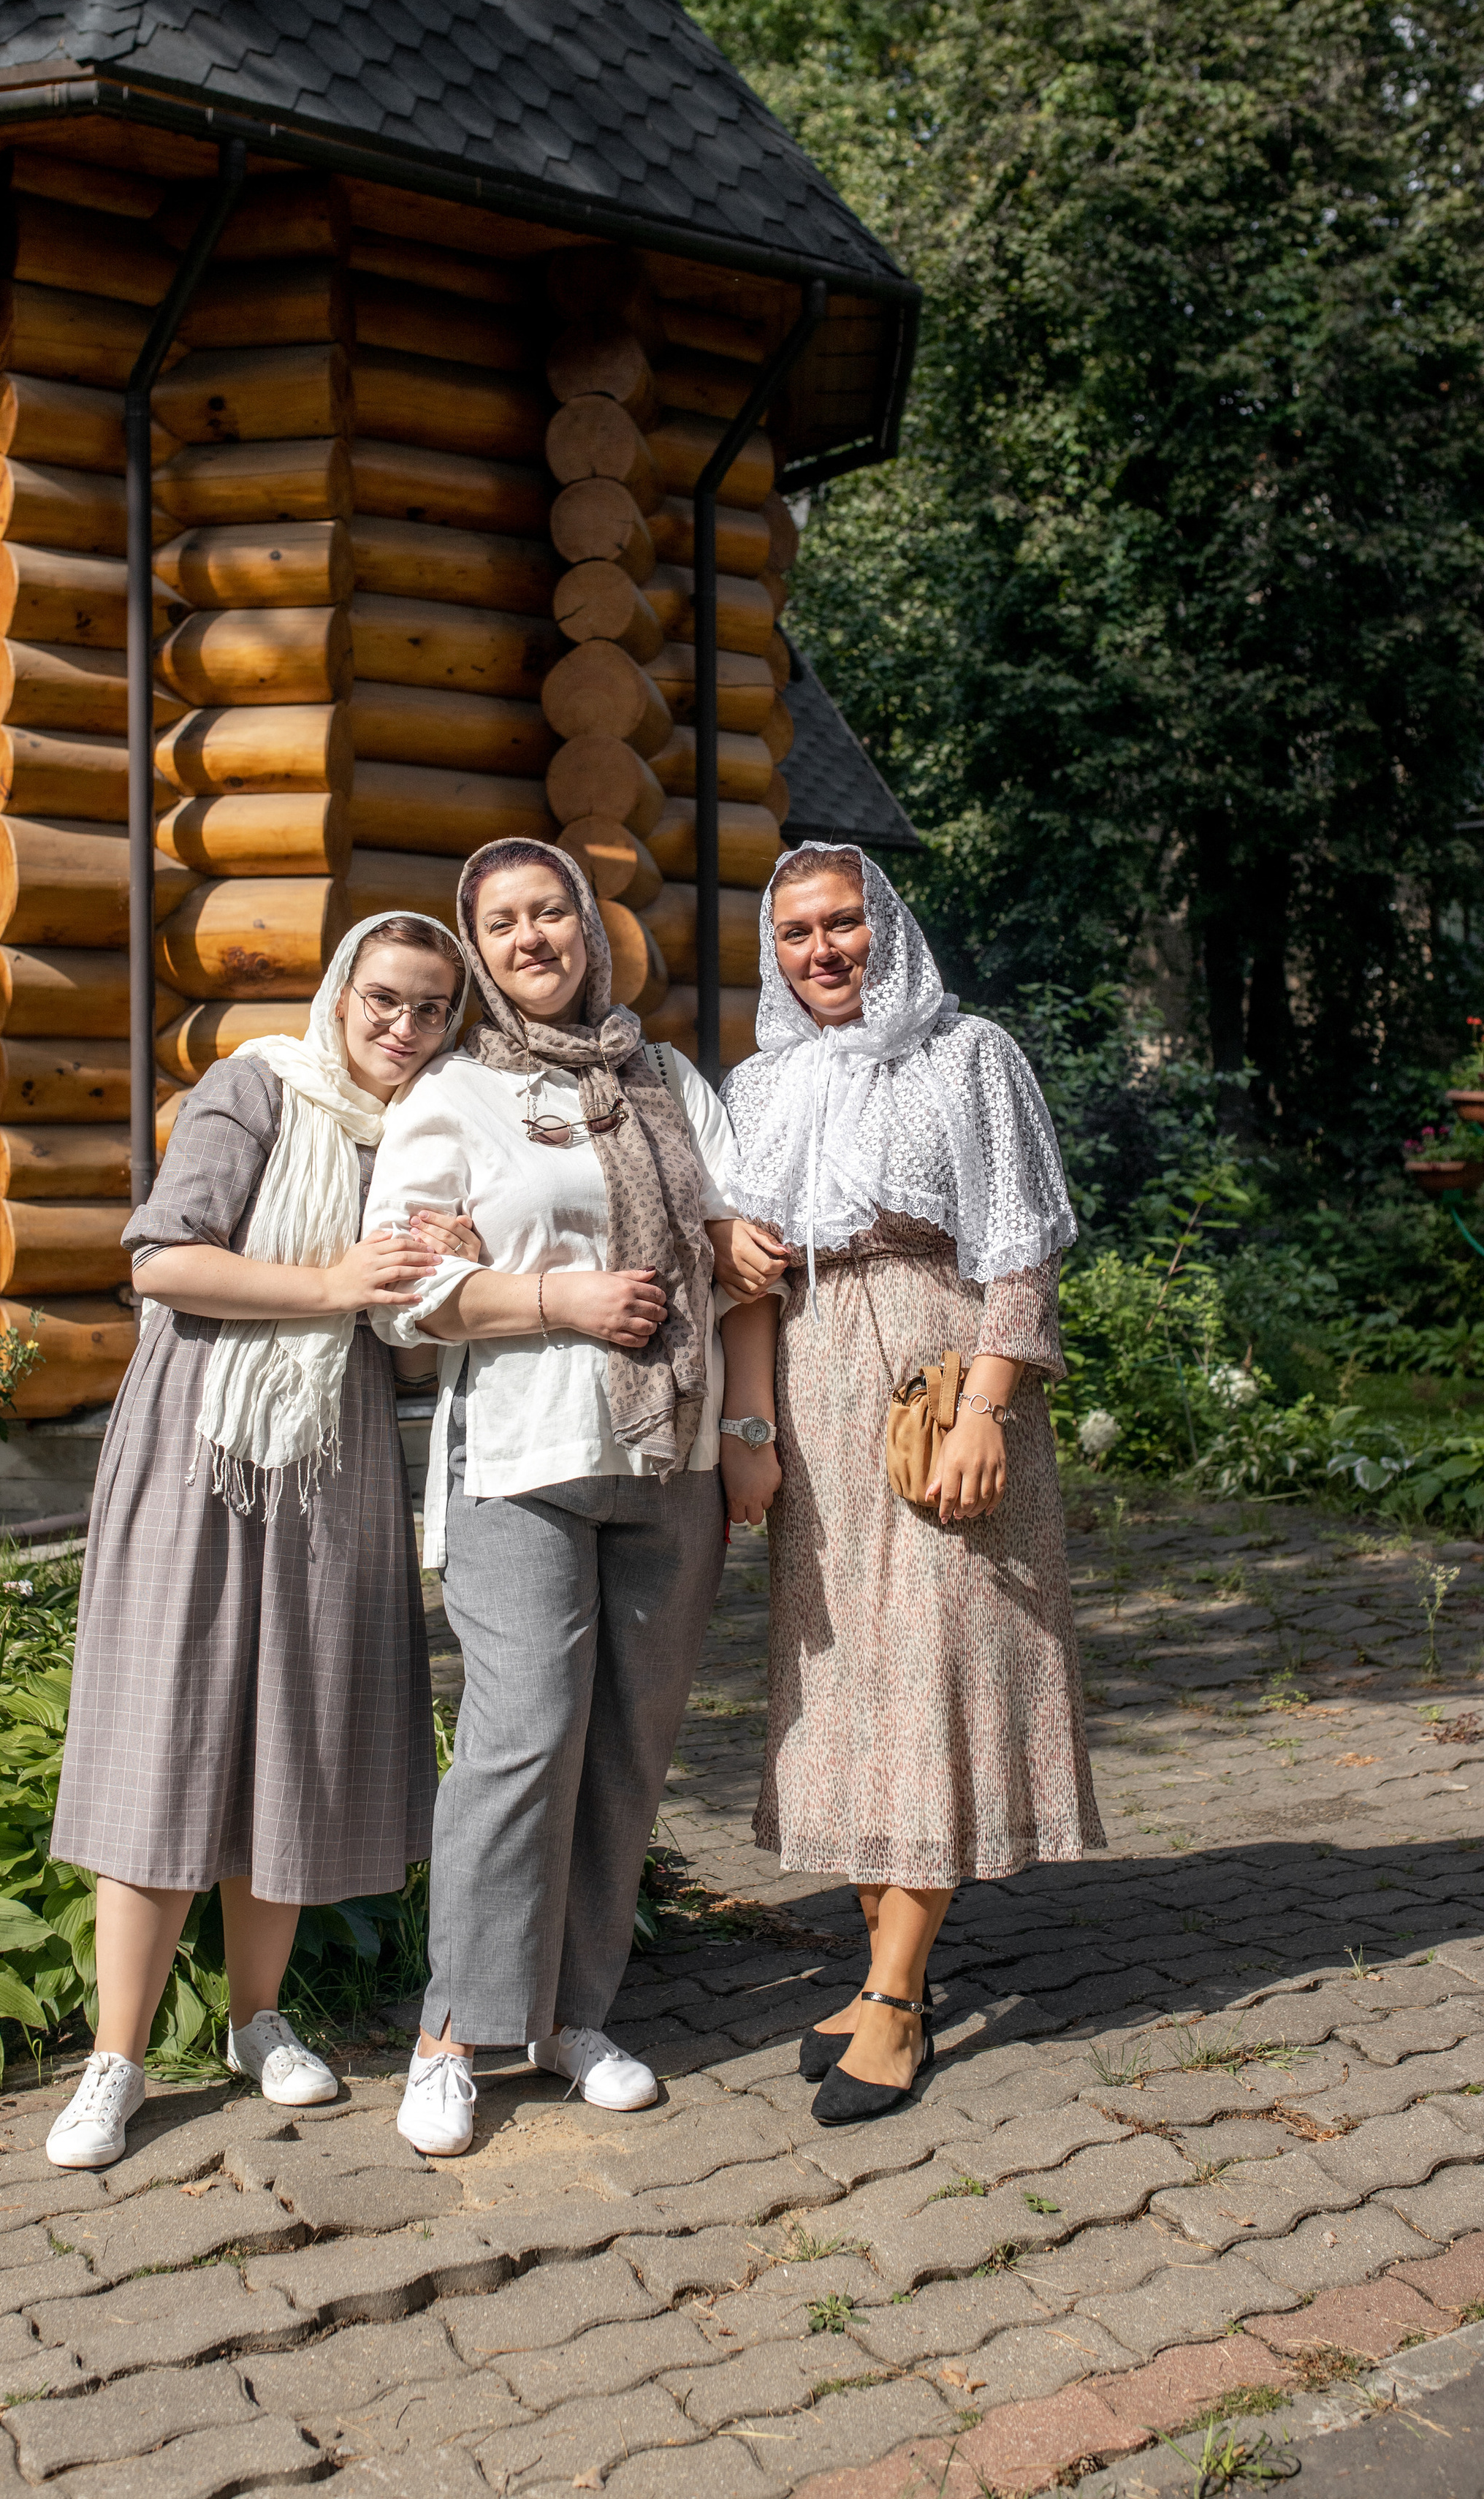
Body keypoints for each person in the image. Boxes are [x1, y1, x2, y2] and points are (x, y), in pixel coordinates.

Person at [360, 839, 783, 2158]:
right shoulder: (454, 1093)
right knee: (523, 1737)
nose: (530, 938)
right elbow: (406, 1295)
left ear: (591, 929)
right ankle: (452, 2035)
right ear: (478, 951)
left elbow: (740, 1257)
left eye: (550, 912)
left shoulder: (668, 1081)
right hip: (523, 1459)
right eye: (501, 923)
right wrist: (560, 1299)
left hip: (674, 1459)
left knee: (628, 1745)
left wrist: (749, 1428)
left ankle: (570, 2018)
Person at [43, 913, 478, 2170]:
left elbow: (404, 1351)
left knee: (294, 1724)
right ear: (340, 995)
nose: (404, 1028)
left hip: (335, 1452)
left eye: (432, 1009)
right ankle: (115, 2061)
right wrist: (334, 1285)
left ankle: (256, 2020)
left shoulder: (425, 1137)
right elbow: (163, 1263)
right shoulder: (259, 1088)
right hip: (200, 1435)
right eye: (384, 999)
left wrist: (447, 1278)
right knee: (164, 1724)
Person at [720, 842, 1103, 2127]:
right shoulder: (760, 1085)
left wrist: (989, 1408)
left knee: (937, 1659)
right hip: (814, 1388)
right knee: (849, 1677)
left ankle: (893, 1996)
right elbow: (746, 1275)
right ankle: (891, 1963)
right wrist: (751, 1424)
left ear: (887, 927)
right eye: (795, 933)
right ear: (772, 953)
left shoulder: (969, 1055)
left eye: (844, 924)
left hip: (939, 1380)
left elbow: (1022, 1251)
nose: (822, 951)